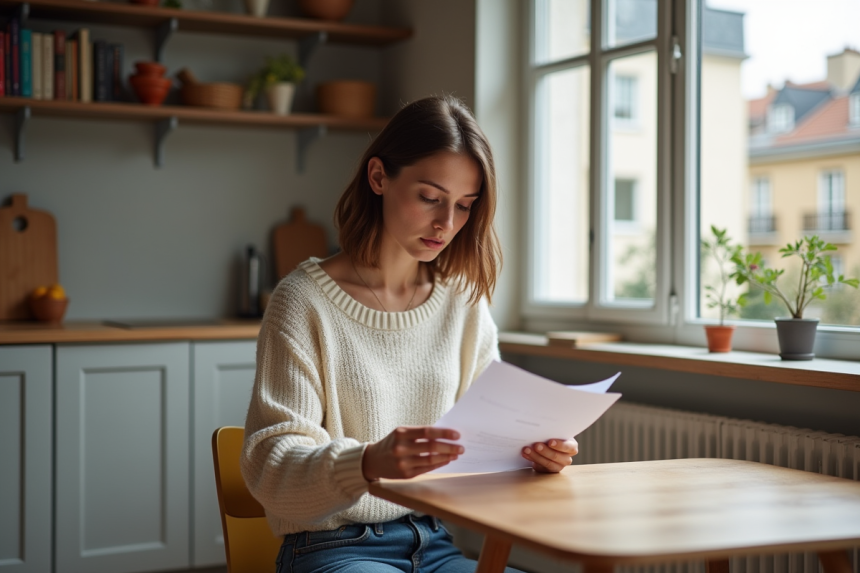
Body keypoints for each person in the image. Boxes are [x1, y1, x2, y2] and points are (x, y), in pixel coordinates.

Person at [240, 95, 579, 573]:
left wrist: (531, 455)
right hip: (332, 548)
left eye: (464, 206)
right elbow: (268, 467)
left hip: (437, 542)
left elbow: (485, 442)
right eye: (429, 197)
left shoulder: (463, 300)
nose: (447, 223)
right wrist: (367, 463)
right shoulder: (302, 301)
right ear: (379, 177)